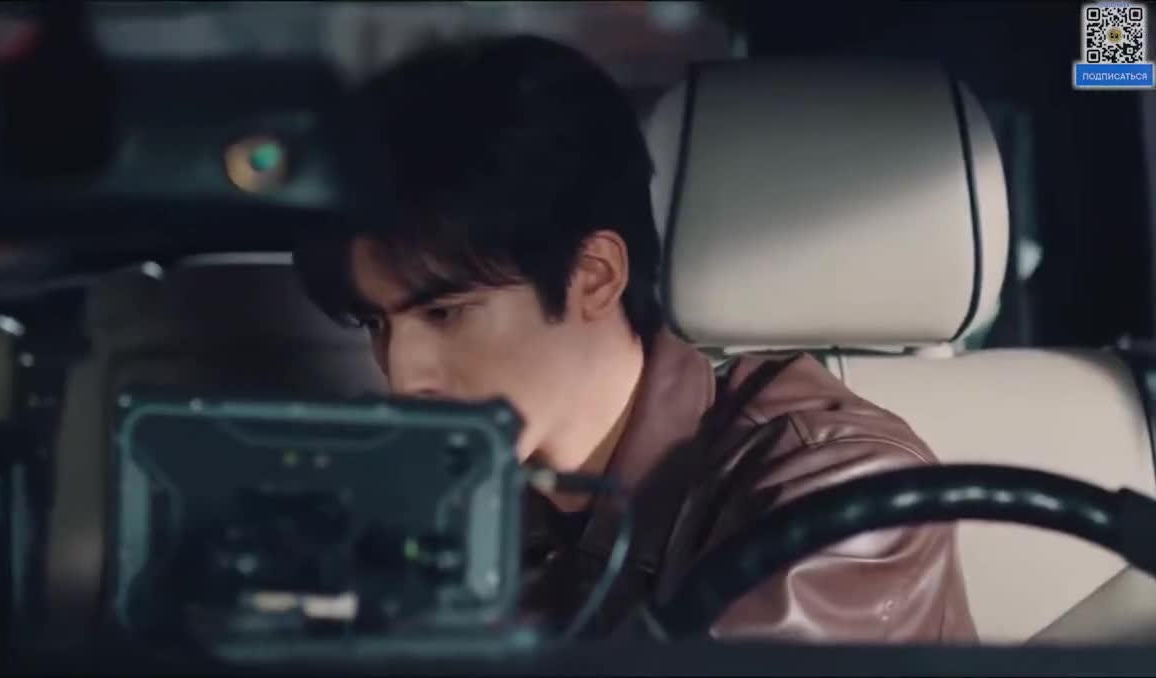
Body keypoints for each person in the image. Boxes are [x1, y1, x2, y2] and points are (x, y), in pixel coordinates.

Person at [294, 34, 977, 642]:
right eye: (376, 323)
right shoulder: (449, 500)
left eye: (447, 313)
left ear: (594, 277)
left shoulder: (842, 494)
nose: (403, 374)